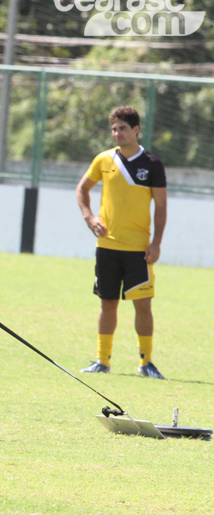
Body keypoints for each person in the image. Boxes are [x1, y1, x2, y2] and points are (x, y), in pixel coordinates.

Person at [76, 106, 168, 379]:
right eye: (114, 129)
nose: (117, 133)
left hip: (139, 250)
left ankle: (146, 362)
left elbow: (161, 206)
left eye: (123, 128)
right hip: (107, 248)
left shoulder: (152, 164)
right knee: (107, 304)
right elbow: (82, 189)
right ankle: (102, 360)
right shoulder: (103, 160)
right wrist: (89, 217)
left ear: (136, 130)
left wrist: (156, 243)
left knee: (143, 305)